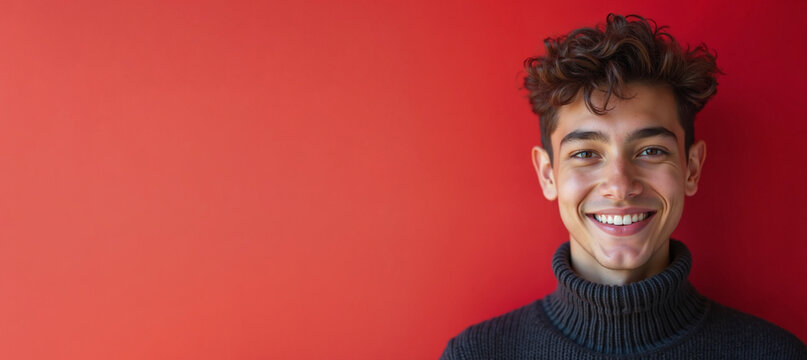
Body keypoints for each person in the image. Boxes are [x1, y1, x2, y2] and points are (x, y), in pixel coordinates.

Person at [440, 14, 806, 359]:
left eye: (650, 150)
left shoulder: (775, 354)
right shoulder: (478, 354)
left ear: (691, 169)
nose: (620, 185)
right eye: (585, 153)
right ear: (548, 174)